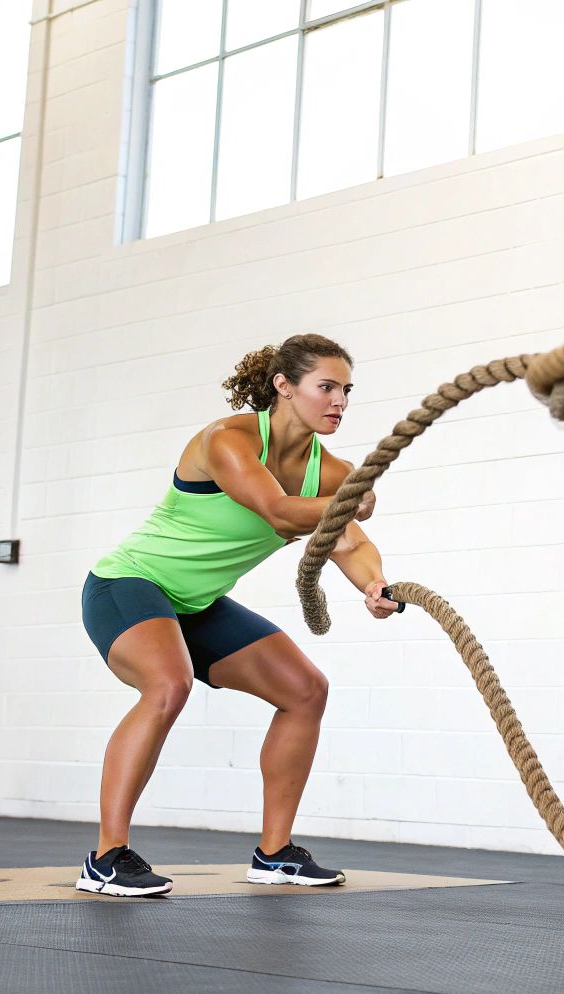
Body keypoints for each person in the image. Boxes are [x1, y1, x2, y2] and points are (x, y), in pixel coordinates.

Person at [75, 333, 399, 897]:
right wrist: (350, 501)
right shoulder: (227, 440)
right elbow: (279, 512)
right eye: (326, 387)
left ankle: (275, 854)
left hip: (195, 605)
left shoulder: (330, 471)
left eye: (347, 391)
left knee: (305, 690)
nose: (339, 402)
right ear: (284, 386)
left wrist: (373, 583)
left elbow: (348, 541)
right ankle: (105, 859)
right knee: (168, 684)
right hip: (128, 585)